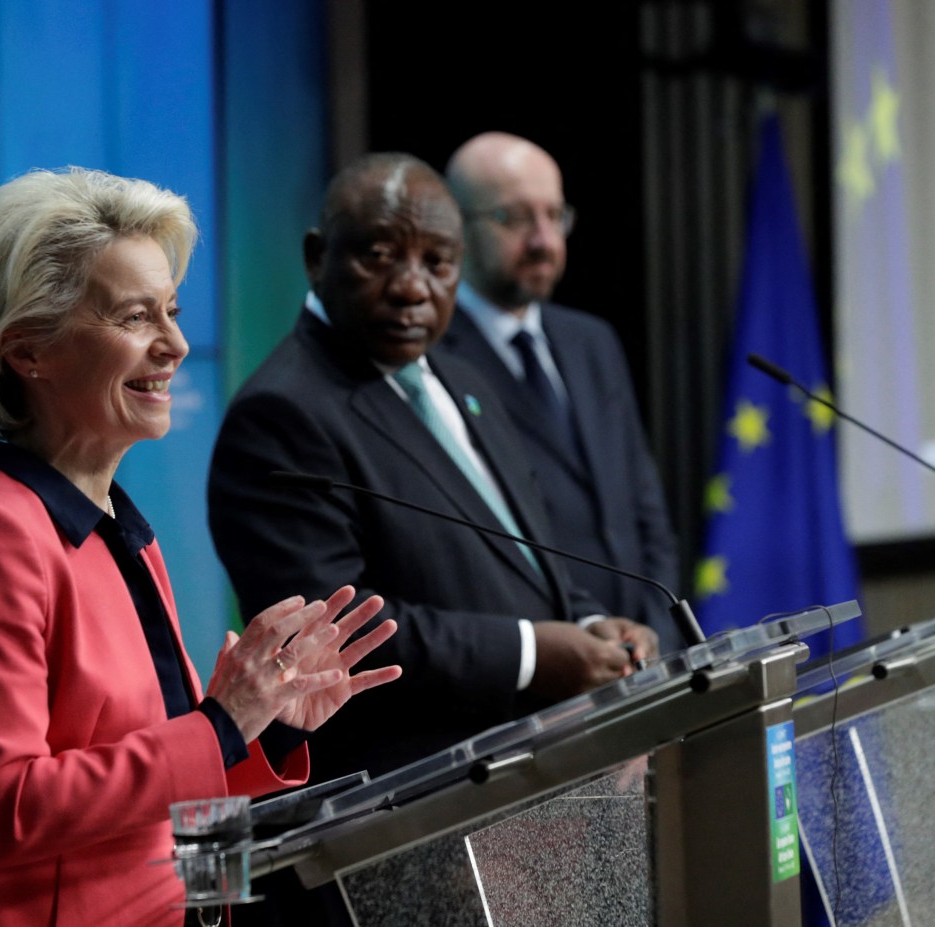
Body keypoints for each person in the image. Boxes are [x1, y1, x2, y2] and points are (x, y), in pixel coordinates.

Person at [0, 167, 401, 926]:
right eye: (137, 316)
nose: (174, 344)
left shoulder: (119, 526)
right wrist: (221, 723)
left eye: (170, 310)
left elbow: (154, 776)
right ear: (28, 351)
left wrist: (257, 722)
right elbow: (2, 807)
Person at [207, 152, 658, 786]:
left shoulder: (462, 377)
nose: (412, 286)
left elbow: (519, 553)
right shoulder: (281, 413)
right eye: (378, 256)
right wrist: (530, 654)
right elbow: (336, 632)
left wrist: (587, 622)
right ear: (317, 258)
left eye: (437, 263)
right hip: (413, 800)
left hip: (537, 774)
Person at [439, 131, 683, 651]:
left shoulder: (591, 341)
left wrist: (656, 630)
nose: (544, 241)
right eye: (516, 218)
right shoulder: (432, 356)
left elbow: (645, 510)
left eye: (555, 216)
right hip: (541, 674)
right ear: (456, 226)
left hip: (640, 661)